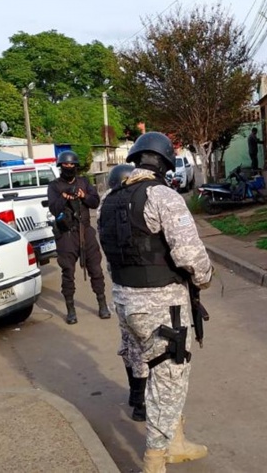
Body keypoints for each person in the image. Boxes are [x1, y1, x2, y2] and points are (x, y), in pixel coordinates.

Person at [98, 132, 213, 472]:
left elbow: (111, 254)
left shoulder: (109, 200)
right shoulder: (162, 195)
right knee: (169, 379)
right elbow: (190, 255)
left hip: (125, 301)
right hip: (163, 306)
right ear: (164, 163)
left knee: (156, 373)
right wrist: (205, 277)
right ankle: (155, 461)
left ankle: (176, 441)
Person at [103, 163, 148, 422]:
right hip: (141, 290)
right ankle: (141, 404)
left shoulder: (106, 208)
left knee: (129, 344)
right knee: (143, 348)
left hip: (120, 288)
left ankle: (134, 395)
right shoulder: (136, 208)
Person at [48, 150, 111, 324]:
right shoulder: (54, 186)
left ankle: (102, 304)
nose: (69, 167)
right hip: (67, 234)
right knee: (68, 272)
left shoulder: (84, 182)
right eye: (65, 164)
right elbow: (54, 209)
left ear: (76, 166)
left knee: (96, 270)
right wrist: (64, 197)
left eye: (72, 164)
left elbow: (95, 202)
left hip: (85, 231)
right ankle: (70, 310)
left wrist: (83, 195)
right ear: (61, 166)